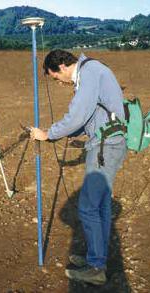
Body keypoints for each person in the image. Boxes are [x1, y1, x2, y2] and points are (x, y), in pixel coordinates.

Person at [30, 49, 127, 286]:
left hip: (106, 146)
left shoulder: (90, 72)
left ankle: (96, 268)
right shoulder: (91, 71)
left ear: (62, 66)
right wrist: (53, 136)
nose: (58, 82)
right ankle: (97, 259)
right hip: (107, 143)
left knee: (89, 207)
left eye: (55, 77)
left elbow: (77, 116)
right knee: (100, 206)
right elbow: (87, 119)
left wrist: (48, 134)